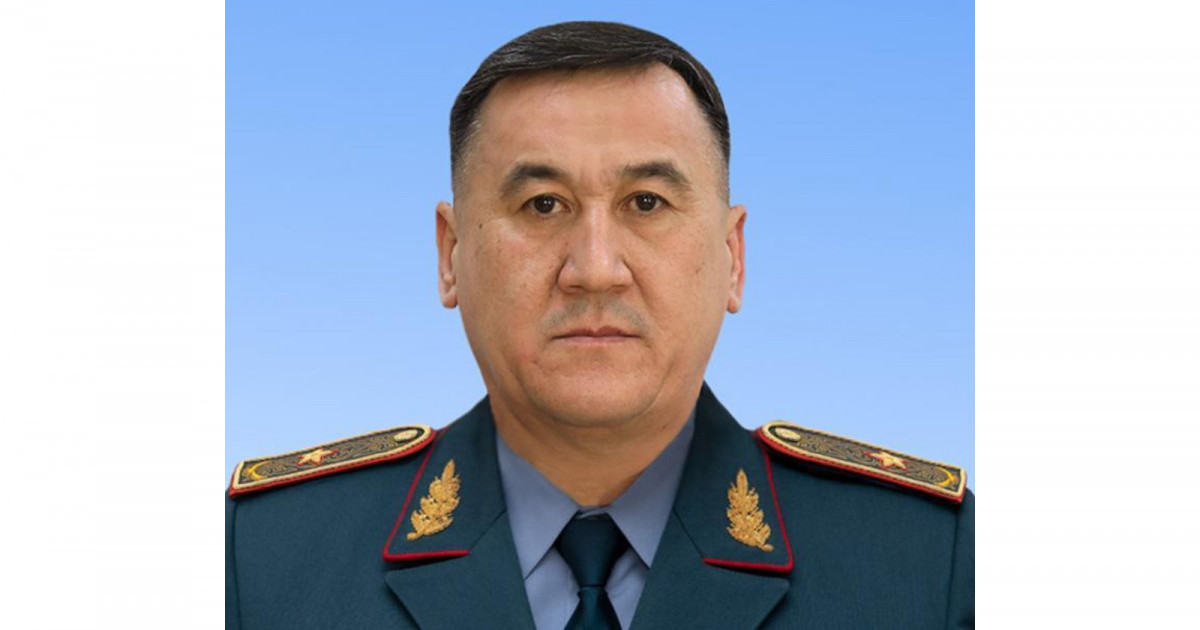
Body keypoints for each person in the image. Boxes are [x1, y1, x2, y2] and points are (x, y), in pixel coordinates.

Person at [226, 20, 973, 630]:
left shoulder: (928, 562)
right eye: (542, 205)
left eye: (646, 203)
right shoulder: (263, 559)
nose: (594, 269)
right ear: (450, 255)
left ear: (733, 257)